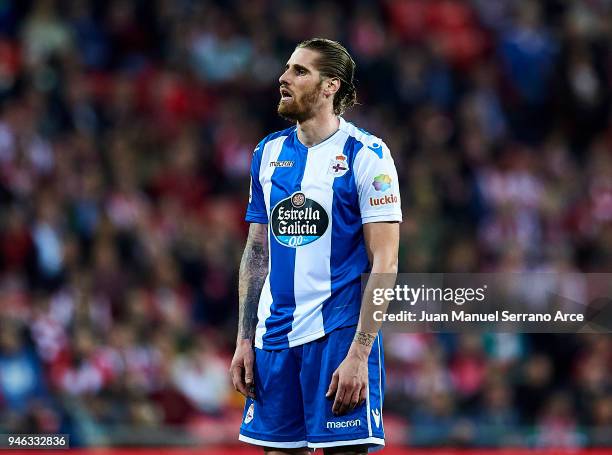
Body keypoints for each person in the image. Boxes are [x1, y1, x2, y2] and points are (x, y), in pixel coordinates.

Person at [230, 38, 401, 455]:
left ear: (331, 87)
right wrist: (243, 340)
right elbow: (256, 253)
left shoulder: (367, 156)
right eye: (287, 68)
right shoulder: (267, 153)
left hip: (338, 337)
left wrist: (360, 353)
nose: (283, 78)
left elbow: (386, 260)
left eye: (300, 71)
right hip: (275, 339)